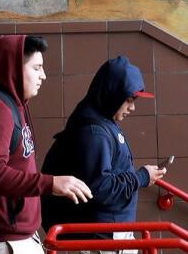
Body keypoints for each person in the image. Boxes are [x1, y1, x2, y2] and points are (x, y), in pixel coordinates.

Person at [0, 35, 93, 253]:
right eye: (37, 68)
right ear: (12, 68)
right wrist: (51, 183)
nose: (44, 76)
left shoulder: (11, 106)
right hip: (2, 241)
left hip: (14, 237)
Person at [41, 56, 166, 250]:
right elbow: (99, 188)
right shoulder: (94, 132)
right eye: (129, 100)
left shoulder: (102, 121)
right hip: (103, 239)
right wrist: (141, 177)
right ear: (113, 94)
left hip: (109, 235)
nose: (133, 107)